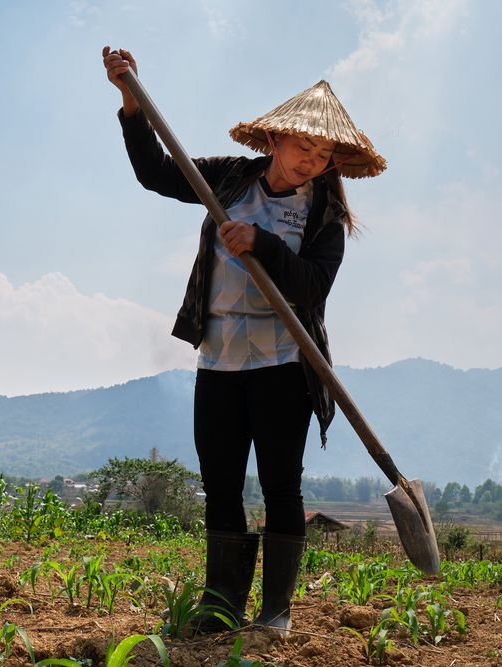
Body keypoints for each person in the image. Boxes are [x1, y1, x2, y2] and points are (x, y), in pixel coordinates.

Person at [102, 47, 385, 635]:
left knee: (281, 483)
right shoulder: (230, 178)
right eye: (302, 147)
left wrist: (263, 244)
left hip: (285, 364)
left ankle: (275, 613)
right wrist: (132, 103)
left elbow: (311, 288)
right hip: (220, 360)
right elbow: (156, 172)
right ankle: (220, 603)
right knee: (221, 481)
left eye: (323, 154)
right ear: (275, 141)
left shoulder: (324, 215)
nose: (311, 161)